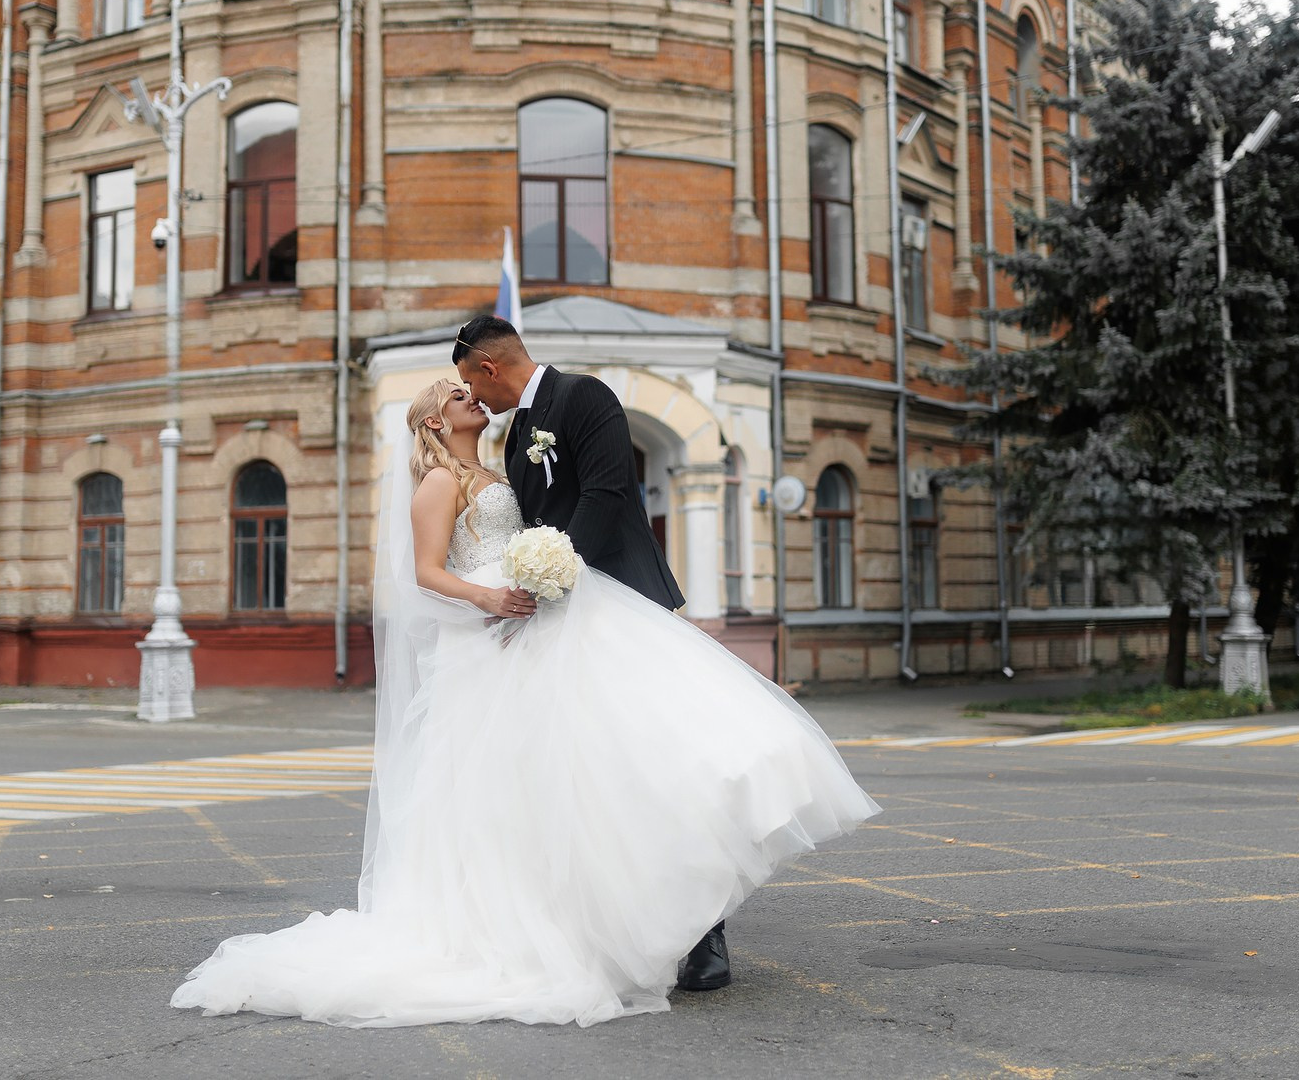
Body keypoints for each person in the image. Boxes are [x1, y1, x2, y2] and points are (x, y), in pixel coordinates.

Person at [170, 358, 877, 1029]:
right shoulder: (440, 483)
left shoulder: (498, 463)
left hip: (530, 630)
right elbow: (422, 572)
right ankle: (512, 931)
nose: (468, 398)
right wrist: (491, 598)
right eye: (453, 396)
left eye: (467, 387)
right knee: (497, 794)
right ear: (433, 425)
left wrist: (540, 578)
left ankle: (632, 918)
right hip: (489, 641)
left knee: (564, 782)